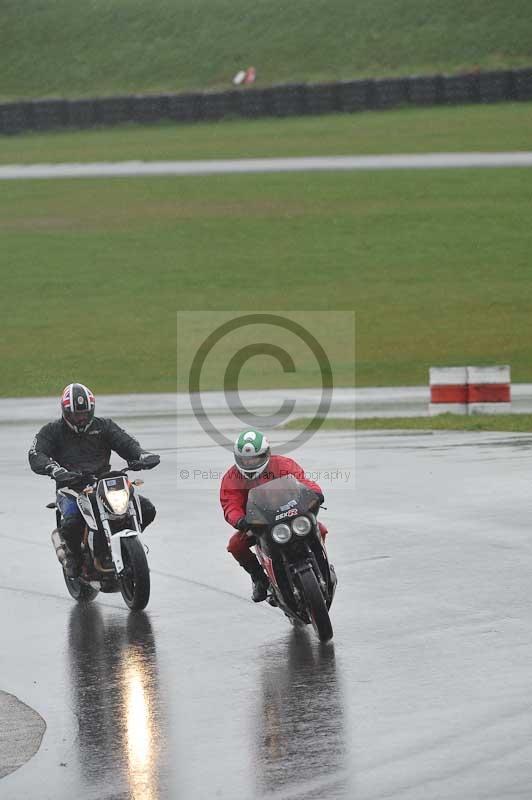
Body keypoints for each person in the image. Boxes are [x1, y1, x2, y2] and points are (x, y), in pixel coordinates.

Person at [28, 383, 160, 577]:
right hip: (70, 487)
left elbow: (127, 443)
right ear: (66, 412)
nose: (81, 418)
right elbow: (36, 453)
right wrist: (54, 469)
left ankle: (127, 547)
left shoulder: (104, 426)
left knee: (147, 509)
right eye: (76, 414)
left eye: (85, 413)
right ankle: (74, 558)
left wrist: (142, 456)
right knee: (72, 523)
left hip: (102, 483)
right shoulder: (52, 431)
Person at [220, 429, 327, 602]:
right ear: (237, 458)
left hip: (291, 513)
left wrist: (315, 492)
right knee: (235, 545)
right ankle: (259, 579)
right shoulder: (231, 477)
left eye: (255, 458)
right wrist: (239, 519)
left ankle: (322, 563)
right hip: (258, 523)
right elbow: (230, 503)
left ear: (266, 453)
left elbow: (302, 480)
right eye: (245, 459)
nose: (250, 462)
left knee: (320, 529)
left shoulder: (283, 464)